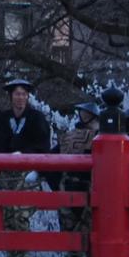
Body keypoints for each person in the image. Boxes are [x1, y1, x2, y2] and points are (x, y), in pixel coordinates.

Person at [0, 79, 53, 257]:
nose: (20, 97)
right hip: (7, 174)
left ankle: (22, 256)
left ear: (28, 97)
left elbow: (43, 146)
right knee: (7, 216)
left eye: (23, 94)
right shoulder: (2, 119)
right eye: (17, 94)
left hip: (29, 173)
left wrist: (27, 158)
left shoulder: (37, 118)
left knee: (20, 212)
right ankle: (12, 256)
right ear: (11, 97)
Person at [57, 102, 100, 249]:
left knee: (73, 235)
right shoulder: (97, 136)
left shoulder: (68, 136)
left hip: (68, 185)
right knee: (87, 233)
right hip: (87, 187)